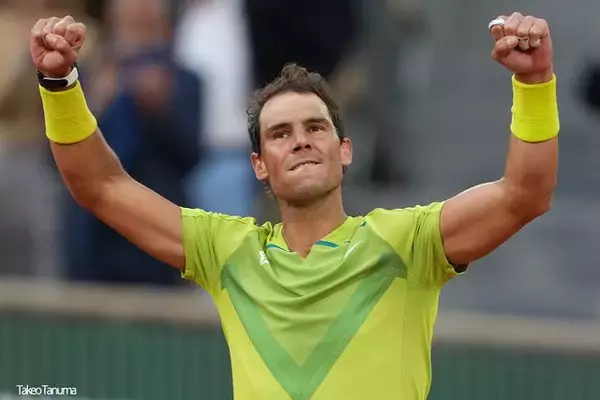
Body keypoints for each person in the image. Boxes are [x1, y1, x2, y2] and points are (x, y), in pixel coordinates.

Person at [30, 11, 559, 400]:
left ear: (344, 150)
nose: (301, 140)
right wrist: (59, 84)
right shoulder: (226, 250)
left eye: (315, 127)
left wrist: (534, 82)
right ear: (259, 164)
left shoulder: (409, 241)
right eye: (280, 134)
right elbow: (100, 187)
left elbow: (524, 194)